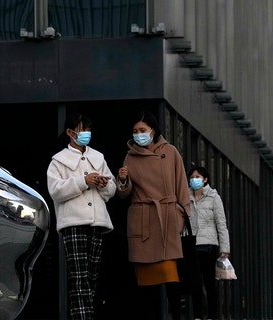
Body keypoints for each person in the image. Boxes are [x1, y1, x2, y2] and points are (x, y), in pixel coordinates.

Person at [115, 111, 191, 320]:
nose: (138, 134)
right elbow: (123, 193)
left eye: (142, 130)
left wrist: (181, 213)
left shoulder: (170, 152)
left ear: (153, 130)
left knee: (171, 279)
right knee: (146, 285)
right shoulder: (131, 156)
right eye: (135, 131)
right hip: (144, 220)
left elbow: (181, 185)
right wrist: (122, 180)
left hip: (167, 219)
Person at [46, 113, 116, 319]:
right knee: (79, 276)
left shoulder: (98, 157)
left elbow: (110, 189)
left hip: (97, 222)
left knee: (92, 275)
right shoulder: (58, 161)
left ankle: (86, 314)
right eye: (81, 129)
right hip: (73, 222)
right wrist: (84, 180)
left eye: (88, 129)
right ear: (70, 132)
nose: (86, 134)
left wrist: (104, 184)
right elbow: (56, 191)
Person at [188, 166, 231, 320]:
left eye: (197, 176)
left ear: (205, 179)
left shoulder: (214, 197)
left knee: (209, 283)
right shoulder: (186, 197)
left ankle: (213, 315)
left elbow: (221, 224)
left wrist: (224, 248)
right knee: (195, 283)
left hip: (209, 246)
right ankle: (198, 315)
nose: (194, 179)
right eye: (192, 177)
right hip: (192, 246)